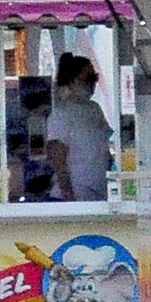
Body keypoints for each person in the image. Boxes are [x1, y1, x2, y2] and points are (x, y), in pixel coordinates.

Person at [44, 53, 113, 202]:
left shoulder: (94, 109)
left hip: (98, 193)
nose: (92, 84)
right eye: (88, 79)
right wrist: (68, 194)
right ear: (73, 81)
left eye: (95, 78)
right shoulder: (61, 114)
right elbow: (58, 158)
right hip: (73, 195)